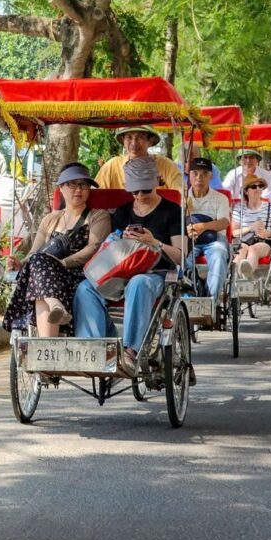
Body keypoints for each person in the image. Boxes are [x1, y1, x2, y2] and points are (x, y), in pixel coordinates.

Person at [73, 157, 184, 376]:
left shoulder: (172, 211)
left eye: (145, 190)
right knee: (85, 288)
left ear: (157, 183)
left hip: (156, 273)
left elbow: (181, 256)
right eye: (135, 192)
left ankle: (131, 351)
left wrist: (155, 243)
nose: (140, 196)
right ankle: (97, 348)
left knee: (138, 282)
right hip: (120, 270)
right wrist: (120, 240)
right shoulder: (123, 212)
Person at [3, 163, 110, 336]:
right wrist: (19, 263)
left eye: (83, 184)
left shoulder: (98, 216)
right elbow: (33, 253)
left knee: (40, 273)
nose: (78, 190)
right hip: (48, 276)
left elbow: (94, 248)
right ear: (61, 187)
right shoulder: (50, 219)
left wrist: (62, 263)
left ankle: (55, 307)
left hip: (80, 274)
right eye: (72, 184)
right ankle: (50, 341)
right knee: (39, 265)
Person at [186, 158, 231, 304]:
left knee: (218, 255)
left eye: (204, 173)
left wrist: (203, 226)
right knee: (181, 261)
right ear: (189, 175)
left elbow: (224, 222)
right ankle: (191, 295)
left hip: (215, 239)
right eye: (195, 173)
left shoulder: (220, 198)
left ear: (210, 176)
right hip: (190, 239)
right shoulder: (183, 198)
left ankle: (211, 300)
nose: (199, 177)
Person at [95, 125, 183, 190]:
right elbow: (95, 194)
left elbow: (181, 197)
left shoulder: (166, 165)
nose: (134, 143)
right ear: (123, 140)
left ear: (150, 141)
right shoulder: (112, 166)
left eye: (140, 137)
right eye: (129, 137)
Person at [231, 176, 271, 279]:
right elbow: (234, 233)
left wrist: (268, 233)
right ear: (246, 191)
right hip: (244, 241)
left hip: (263, 242)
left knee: (253, 249)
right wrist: (250, 228)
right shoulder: (239, 208)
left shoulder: (270, 207)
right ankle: (235, 277)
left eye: (260, 186)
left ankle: (248, 275)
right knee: (241, 249)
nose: (258, 189)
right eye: (254, 187)